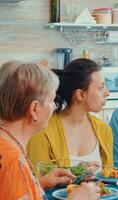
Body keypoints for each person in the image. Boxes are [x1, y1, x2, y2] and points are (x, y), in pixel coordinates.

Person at [0, 61, 99, 199]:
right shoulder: (13, 162)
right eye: (51, 100)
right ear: (34, 109)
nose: (53, 107)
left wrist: (40, 183)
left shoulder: (7, 142)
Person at [27, 58, 113, 172]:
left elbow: (110, 179)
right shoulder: (42, 131)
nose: (107, 92)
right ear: (81, 94)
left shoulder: (104, 130)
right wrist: (75, 175)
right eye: (101, 87)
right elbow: (36, 182)